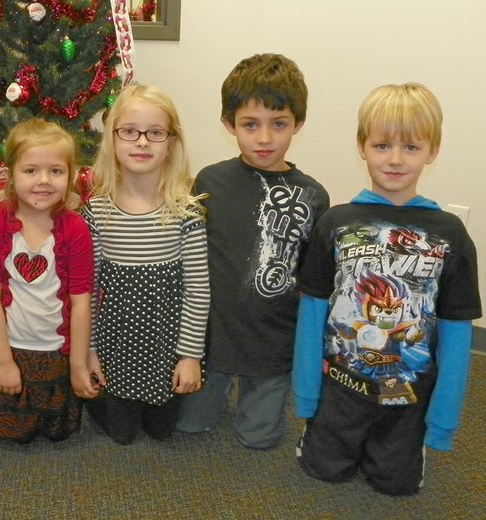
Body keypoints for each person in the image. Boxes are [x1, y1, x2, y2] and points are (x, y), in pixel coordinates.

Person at [292, 83, 481, 495]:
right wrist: (306, 395)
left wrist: (443, 419)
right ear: (362, 147)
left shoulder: (450, 234)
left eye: (411, 147)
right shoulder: (335, 223)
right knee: (322, 472)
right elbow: (311, 310)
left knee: (396, 486)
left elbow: (456, 328)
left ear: (433, 151)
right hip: (341, 387)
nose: (395, 159)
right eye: (381, 145)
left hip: (406, 395)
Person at [177, 53, 330, 449]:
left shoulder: (313, 195)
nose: (264, 138)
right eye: (250, 125)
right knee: (191, 427)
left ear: (298, 123)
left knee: (258, 440)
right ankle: (218, 391)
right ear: (229, 124)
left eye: (278, 124)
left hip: (272, 340)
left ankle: (256, 400)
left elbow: (313, 275)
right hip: (213, 337)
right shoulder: (210, 180)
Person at [83, 84, 210, 445]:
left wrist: (189, 357)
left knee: (161, 432)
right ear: (113, 139)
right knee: (122, 435)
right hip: (115, 347)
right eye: (130, 132)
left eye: (155, 133)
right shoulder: (99, 212)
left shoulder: (185, 212)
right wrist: (89, 351)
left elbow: (198, 291)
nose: (142, 142)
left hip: (165, 349)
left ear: (171, 143)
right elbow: (88, 291)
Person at [0, 118, 95, 443]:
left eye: (56, 171)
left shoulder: (75, 229)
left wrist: (79, 365)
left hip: (58, 351)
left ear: (70, 175)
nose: (43, 181)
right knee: (12, 432)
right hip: (10, 347)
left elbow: (81, 301)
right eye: (30, 171)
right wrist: (3, 362)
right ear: (11, 173)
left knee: (60, 431)